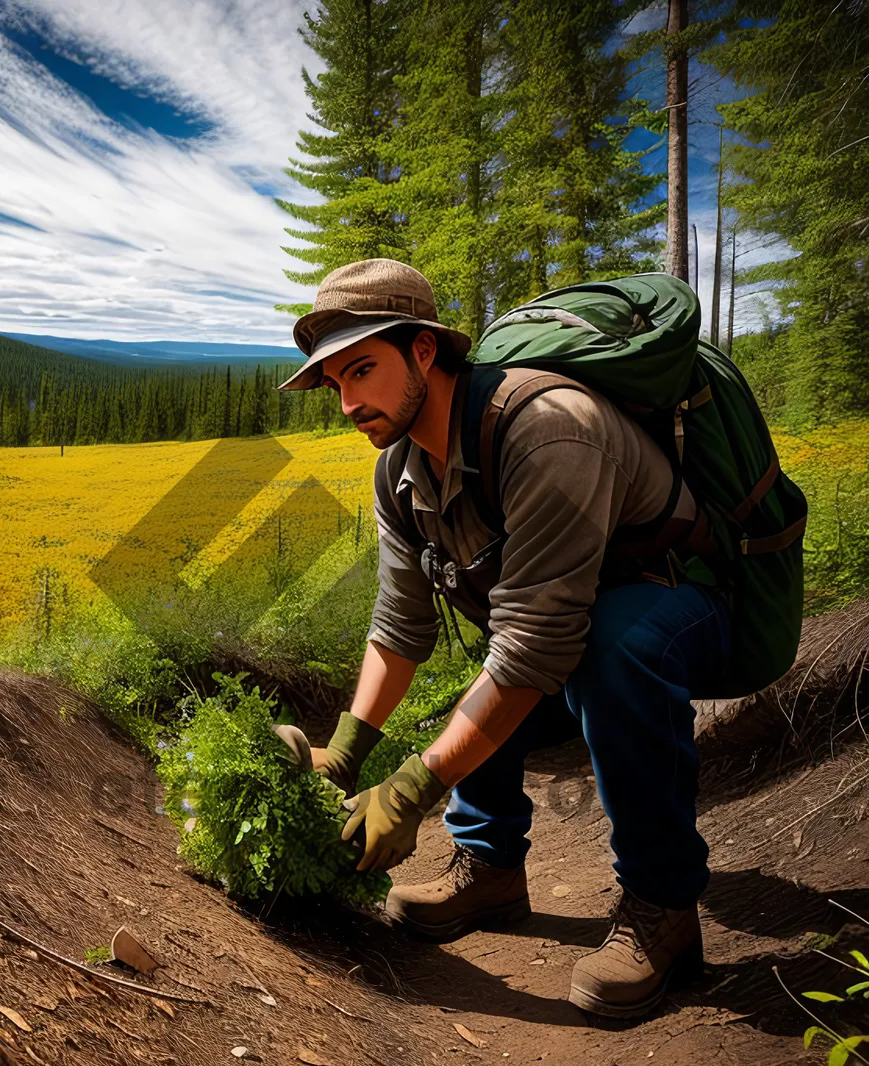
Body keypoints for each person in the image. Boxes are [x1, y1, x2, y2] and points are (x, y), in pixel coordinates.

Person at [276, 259, 730, 1018]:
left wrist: (416, 787)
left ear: (424, 350)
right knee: (512, 669)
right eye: (334, 384)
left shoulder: (549, 429)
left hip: (687, 606)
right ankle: (490, 868)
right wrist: (346, 753)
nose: (349, 401)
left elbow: (534, 646)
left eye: (362, 370)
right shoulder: (399, 472)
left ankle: (664, 907)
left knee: (613, 647)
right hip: (568, 627)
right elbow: (401, 624)